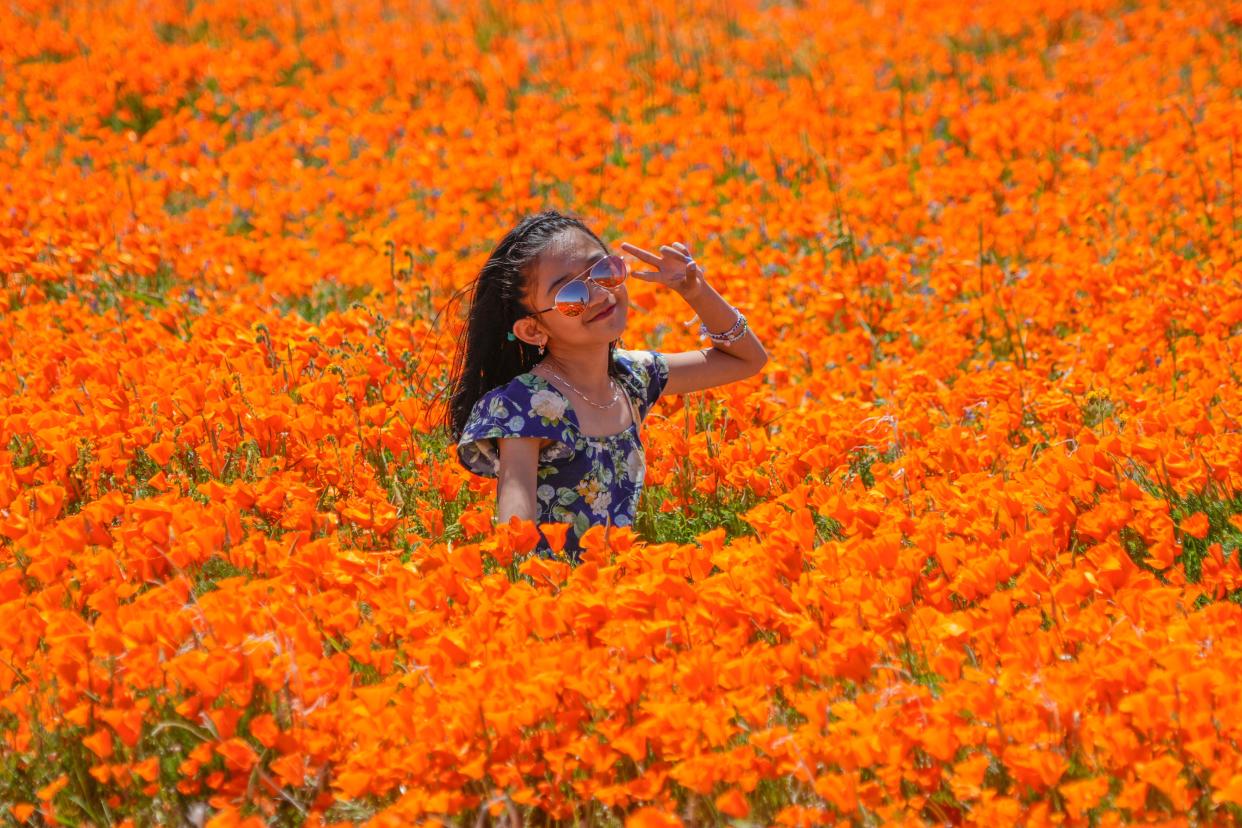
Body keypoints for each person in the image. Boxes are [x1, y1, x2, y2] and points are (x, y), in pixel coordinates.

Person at [444, 209, 767, 560]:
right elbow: (514, 536)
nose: (598, 294)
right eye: (570, 296)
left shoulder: (631, 378)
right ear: (533, 329)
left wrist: (696, 292)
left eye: (603, 271)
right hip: (556, 599)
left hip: (617, 588)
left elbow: (747, 359)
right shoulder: (526, 405)